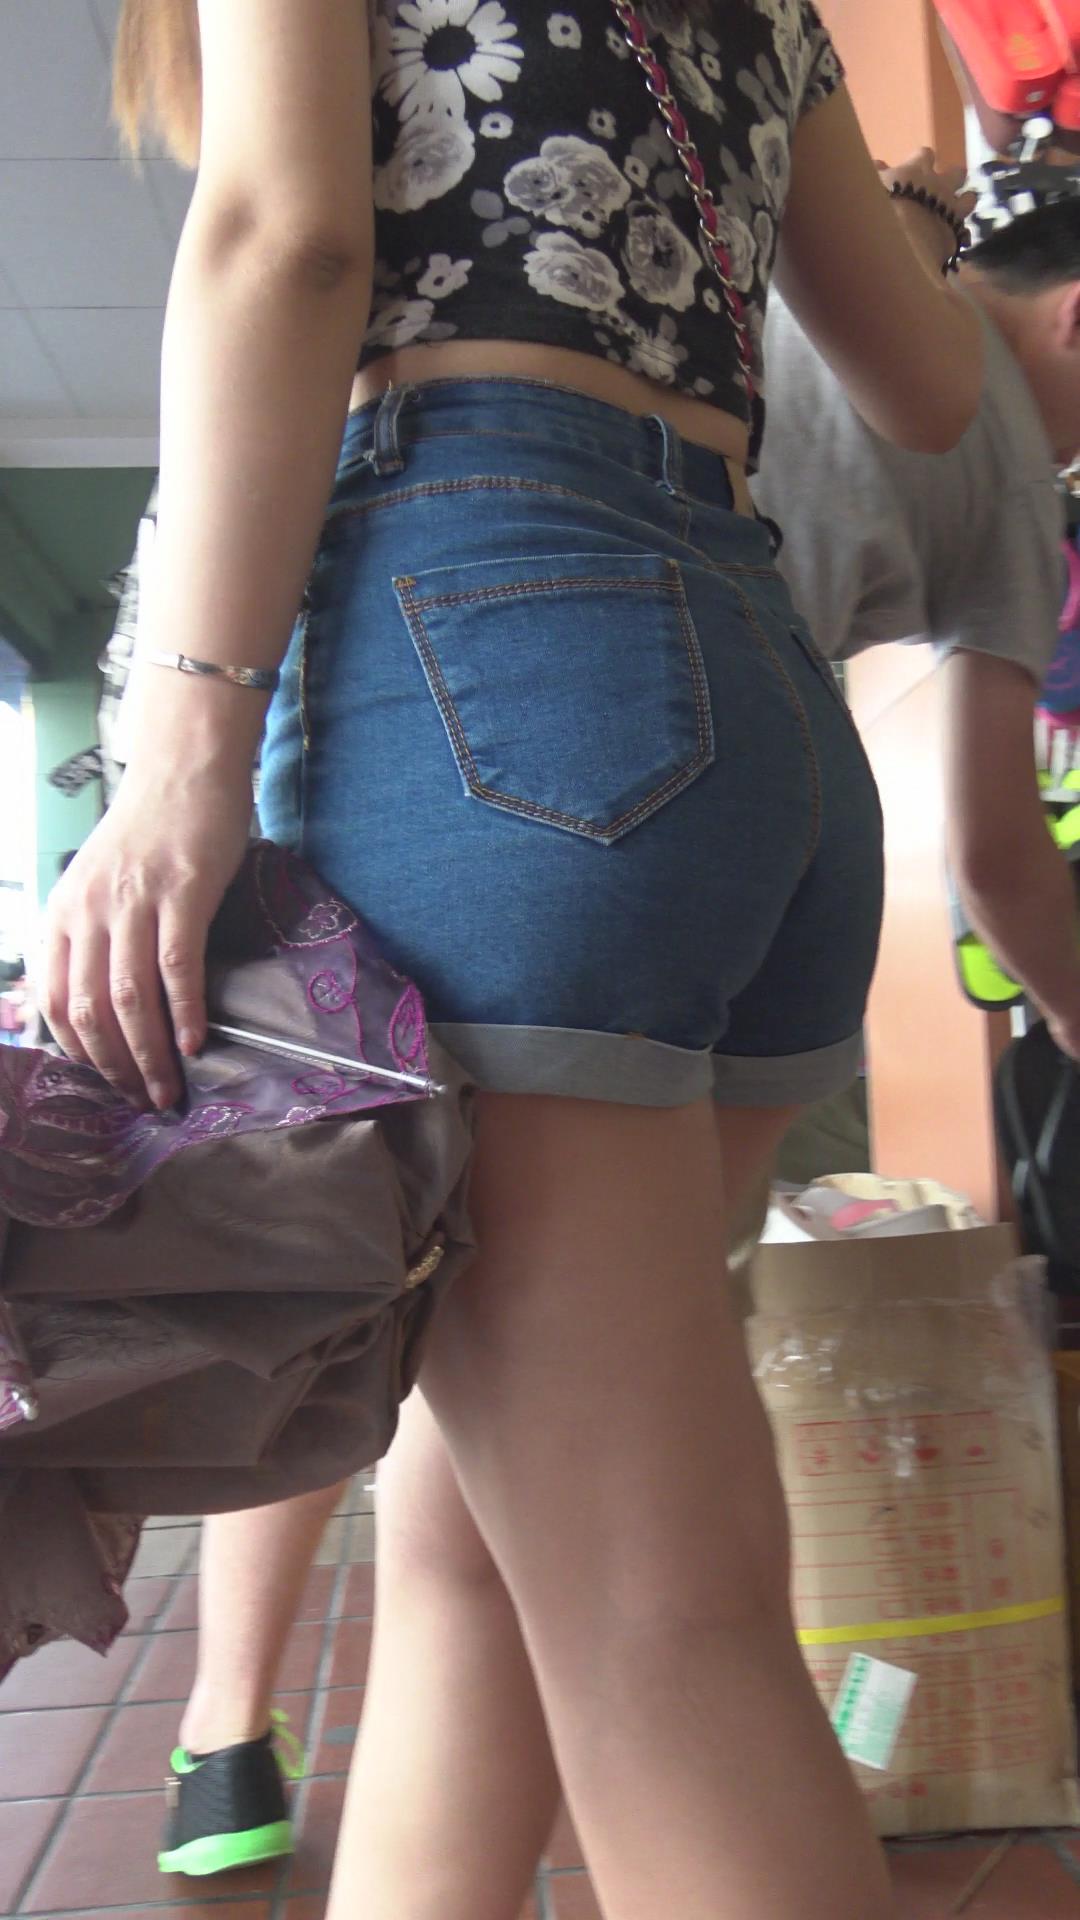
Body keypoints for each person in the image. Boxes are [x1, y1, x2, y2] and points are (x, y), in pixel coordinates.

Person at [41, 3, 984, 1915]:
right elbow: (930, 384)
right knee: (488, 1547)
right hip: (752, 692)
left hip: (486, 655)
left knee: (656, 1616)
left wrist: (180, 756)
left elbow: (285, 234)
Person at [755, 195, 1080, 1062]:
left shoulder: (840, 262)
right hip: (676, 696)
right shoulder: (1019, 487)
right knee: (789, 1044)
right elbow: (997, 858)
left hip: (471, 547)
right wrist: (1071, 1008)